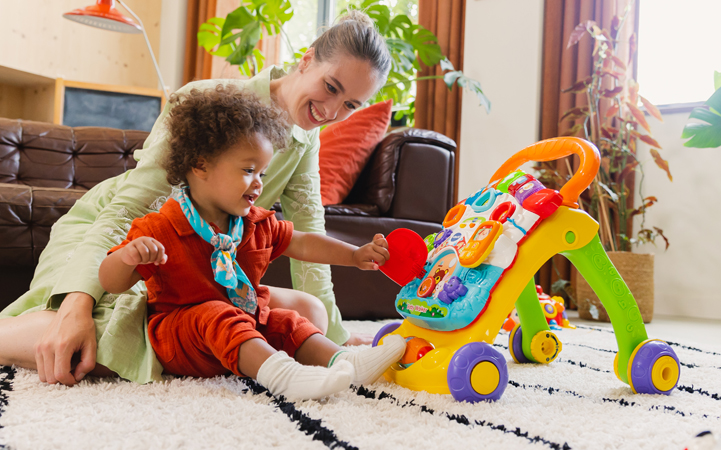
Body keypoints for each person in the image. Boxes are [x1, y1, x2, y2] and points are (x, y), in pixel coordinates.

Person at [0, 10, 393, 386]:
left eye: (350, 106)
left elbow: (307, 231)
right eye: (331, 87)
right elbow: (127, 211)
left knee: (311, 314)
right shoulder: (205, 99)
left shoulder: (305, 140)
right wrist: (77, 305)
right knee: (112, 337)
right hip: (118, 238)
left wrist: (338, 338)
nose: (331, 110)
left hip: (195, 267)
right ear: (307, 60)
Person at [98, 86, 405, 399]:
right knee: (215, 313)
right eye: (248, 170)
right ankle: (283, 376)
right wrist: (128, 257)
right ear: (200, 165)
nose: (259, 183)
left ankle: (345, 360)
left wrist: (354, 255)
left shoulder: (252, 222)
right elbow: (110, 281)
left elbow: (302, 243)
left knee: (285, 321)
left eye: (262, 172)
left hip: (243, 327)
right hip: (184, 340)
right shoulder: (160, 227)